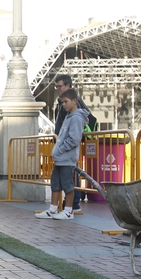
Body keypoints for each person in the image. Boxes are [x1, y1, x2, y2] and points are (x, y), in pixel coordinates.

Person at [36, 88, 87, 221]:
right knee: (56, 183)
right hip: (60, 158)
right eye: (62, 102)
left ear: (75, 101)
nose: (63, 104)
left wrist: (60, 149)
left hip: (67, 159)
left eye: (66, 102)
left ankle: (69, 211)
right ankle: (53, 209)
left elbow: (74, 138)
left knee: (67, 184)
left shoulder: (76, 118)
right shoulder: (69, 116)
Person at [52, 74, 93, 213]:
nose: (57, 89)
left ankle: (72, 205)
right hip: (63, 147)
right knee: (60, 178)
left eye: (60, 86)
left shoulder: (75, 106)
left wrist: (61, 148)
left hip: (68, 149)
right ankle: (61, 207)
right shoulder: (62, 103)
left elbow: (76, 132)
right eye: (56, 86)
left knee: (69, 177)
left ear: (68, 85)